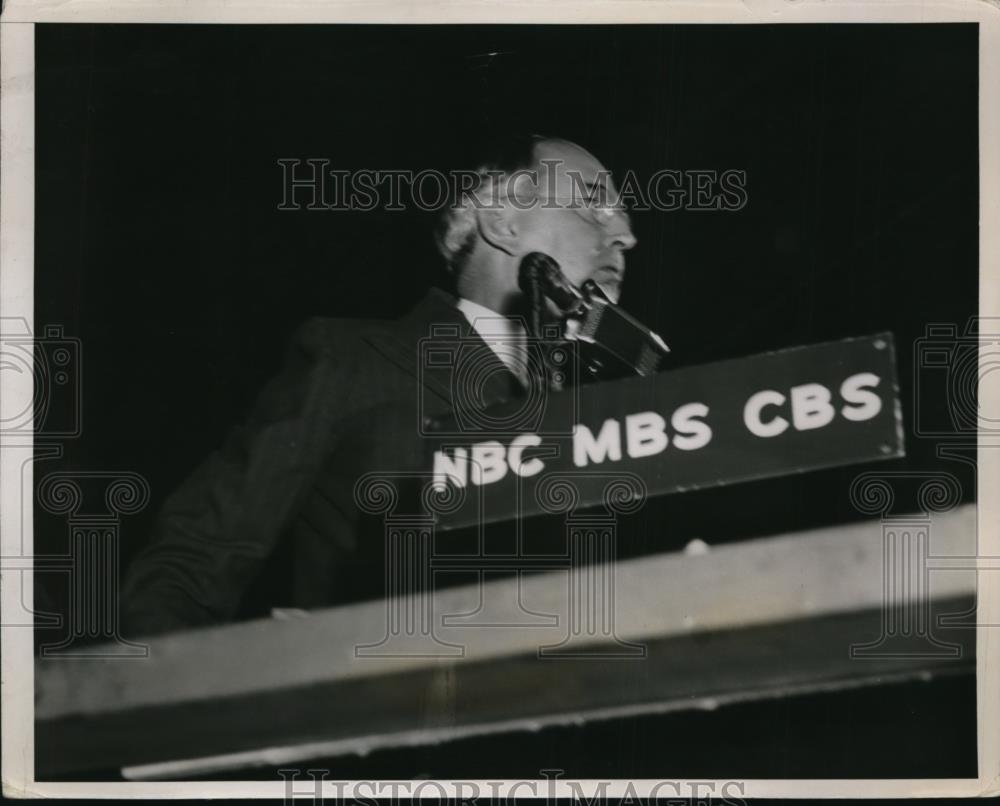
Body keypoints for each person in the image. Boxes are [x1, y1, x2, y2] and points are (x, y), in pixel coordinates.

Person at [120, 134, 637, 636]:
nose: (626, 235)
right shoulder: (351, 361)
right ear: (502, 221)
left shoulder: (611, 411)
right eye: (593, 205)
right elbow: (185, 571)